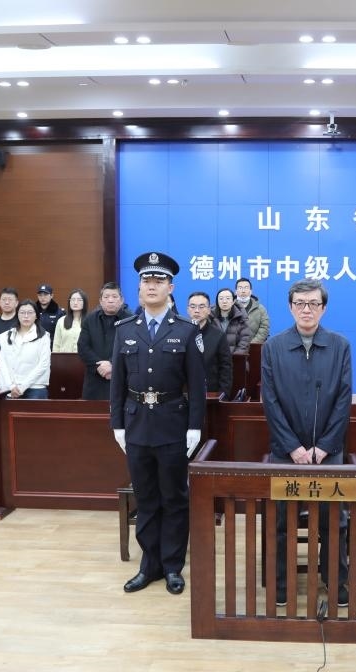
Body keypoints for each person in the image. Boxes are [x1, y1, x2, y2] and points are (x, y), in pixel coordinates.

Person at [112, 252, 205, 597]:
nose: (151, 286)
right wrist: (117, 424)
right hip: (136, 424)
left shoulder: (186, 330)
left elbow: (197, 385)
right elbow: (117, 382)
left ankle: (172, 566)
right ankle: (148, 565)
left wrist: (194, 426)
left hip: (172, 424)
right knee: (146, 497)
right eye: (146, 281)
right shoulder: (125, 329)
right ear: (139, 288)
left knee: (174, 497)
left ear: (171, 288)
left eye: (158, 281)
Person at [261, 278, 352, 607]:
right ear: (290, 307)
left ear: (323, 308)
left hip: (328, 452)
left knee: (334, 521)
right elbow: (270, 402)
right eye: (300, 303)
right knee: (282, 520)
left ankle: (336, 582)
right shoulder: (273, 347)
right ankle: (282, 583)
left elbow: (343, 400)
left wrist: (325, 446)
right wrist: (293, 447)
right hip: (286, 451)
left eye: (314, 303)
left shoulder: (340, 345)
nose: (306, 309)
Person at [78, 282, 132, 400]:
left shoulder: (131, 320)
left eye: (114, 296)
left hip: (121, 379)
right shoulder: (89, 319)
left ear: (121, 300)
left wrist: (112, 364)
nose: (110, 300)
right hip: (94, 380)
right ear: (100, 301)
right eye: (106, 297)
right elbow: (83, 347)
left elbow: (132, 349)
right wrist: (100, 366)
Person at [0, 300, 51, 399]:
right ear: (17, 315)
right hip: (9, 387)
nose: (26, 316)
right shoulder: (7, 335)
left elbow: (44, 364)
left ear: (36, 315)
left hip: (35, 387)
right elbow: (2, 362)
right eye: (22, 312)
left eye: (30, 312)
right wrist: (11, 386)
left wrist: (22, 387)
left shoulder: (44, 337)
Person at [187, 291, 232, 398]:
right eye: (193, 306)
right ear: (188, 310)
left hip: (211, 393)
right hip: (184, 395)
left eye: (201, 307)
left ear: (208, 310)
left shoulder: (218, 335)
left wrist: (223, 395)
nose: (196, 310)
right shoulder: (180, 333)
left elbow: (225, 368)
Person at [211, 288, 252, 355]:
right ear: (217, 301)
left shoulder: (241, 318)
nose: (224, 301)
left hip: (234, 358)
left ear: (233, 301)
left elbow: (244, 342)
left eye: (228, 298)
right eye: (221, 298)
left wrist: (233, 358)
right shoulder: (210, 317)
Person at [235, 277, 270, 344]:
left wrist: (252, 344)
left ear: (251, 291)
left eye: (246, 288)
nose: (243, 291)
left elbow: (264, 327)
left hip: (254, 347)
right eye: (240, 288)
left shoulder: (260, 309)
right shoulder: (230, 307)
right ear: (236, 291)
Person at [52, 289, 88, 354]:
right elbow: (56, 345)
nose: (75, 303)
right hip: (64, 358)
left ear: (84, 302)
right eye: (73, 300)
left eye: (79, 300)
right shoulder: (61, 321)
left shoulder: (90, 321)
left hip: (84, 358)